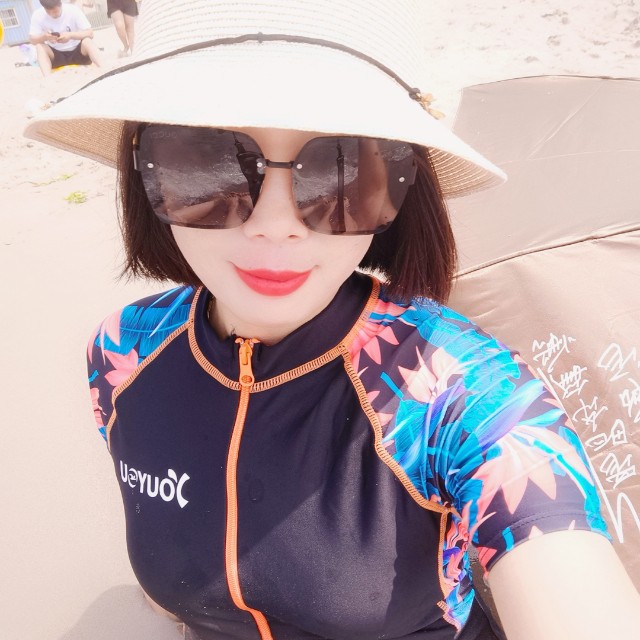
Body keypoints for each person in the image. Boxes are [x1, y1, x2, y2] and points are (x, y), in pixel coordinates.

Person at [24, 1, 640, 638]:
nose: (275, 226)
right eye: (208, 162)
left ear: (399, 189)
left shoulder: (458, 391)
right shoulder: (122, 353)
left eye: (338, 172)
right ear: (144, 172)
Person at [28, 0, 104, 77]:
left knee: (87, 41)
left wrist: (70, 35)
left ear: (60, 4)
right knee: (39, 47)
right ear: (44, 8)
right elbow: (32, 40)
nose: (52, 15)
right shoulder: (38, 15)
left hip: (78, 51)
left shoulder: (72, 10)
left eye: (55, 11)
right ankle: (47, 78)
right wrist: (44, 37)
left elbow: (90, 33)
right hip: (56, 55)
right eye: (48, 12)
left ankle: (103, 68)